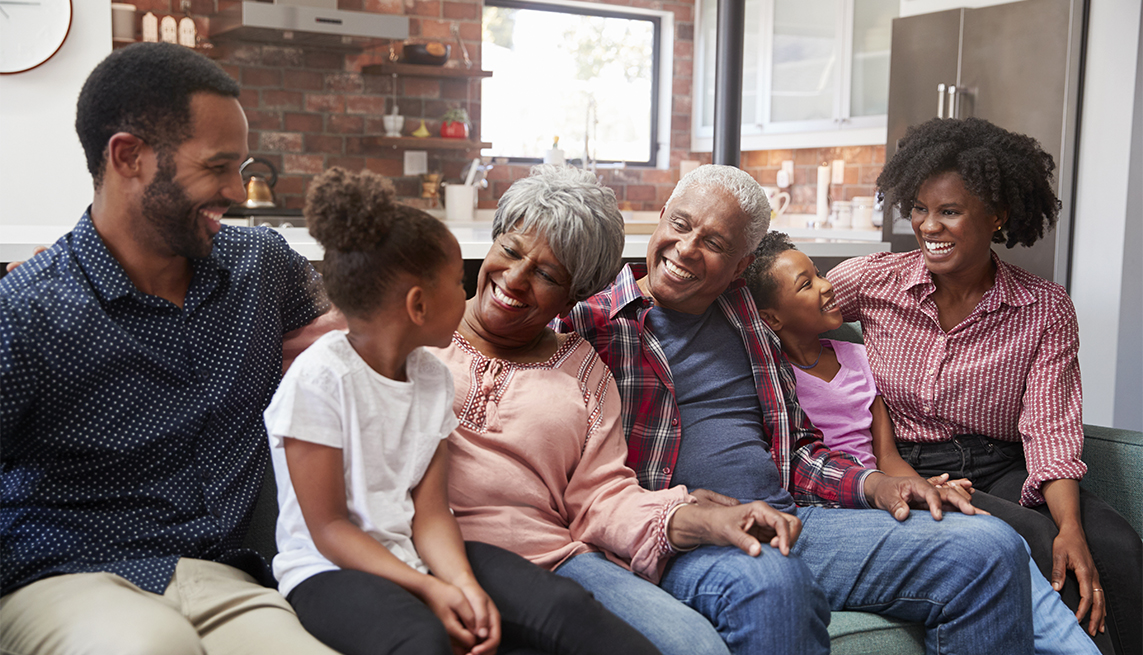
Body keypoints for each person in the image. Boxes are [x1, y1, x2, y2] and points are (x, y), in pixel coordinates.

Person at [560, 163, 1038, 655]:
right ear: (661, 217)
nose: (686, 249)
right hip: (687, 539)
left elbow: (797, 450)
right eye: (680, 224)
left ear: (741, 265)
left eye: (715, 244)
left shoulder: (746, 314)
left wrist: (877, 484)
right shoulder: (590, 324)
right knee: (772, 579)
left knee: (988, 548)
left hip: (795, 521)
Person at [0, 43, 339, 654]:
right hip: (68, 576)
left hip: (227, 578)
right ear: (128, 156)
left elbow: (358, 337)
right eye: (217, 167)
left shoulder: (261, 268)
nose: (237, 190)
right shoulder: (30, 311)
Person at [265, 167, 663, 655]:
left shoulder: (431, 380)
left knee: (569, 614)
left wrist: (466, 586)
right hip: (326, 570)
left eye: (543, 273)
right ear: (417, 305)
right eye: (456, 284)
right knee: (424, 638)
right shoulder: (321, 377)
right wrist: (431, 588)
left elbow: (432, 512)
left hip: (417, 555)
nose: (472, 294)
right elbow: (328, 529)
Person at [432, 165, 804, 655]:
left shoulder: (584, 367)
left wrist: (701, 519)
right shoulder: (417, 330)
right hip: (435, 545)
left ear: (574, 296)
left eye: (547, 274)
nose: (516, 280)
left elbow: (603, 498)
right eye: (511, 251)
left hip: (557, 558)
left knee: (696, 647)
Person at [827, 117, 1142, 655]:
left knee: (1115, 544)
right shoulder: (875, 281)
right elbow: (783, 305)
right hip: (908, 466)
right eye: (921, 209)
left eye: (949, 212)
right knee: (1040, 543)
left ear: (996, 217)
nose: (929, 226)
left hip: (1001, 467)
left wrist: (1071, 523)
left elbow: (1050, 427)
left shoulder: (1042, 307)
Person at [746, 231, 1101, 655]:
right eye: (807, 283)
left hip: (884, 493)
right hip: (833, 507)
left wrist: (930, 492)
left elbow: (887, 456)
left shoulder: (857, 359)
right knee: (989, 543)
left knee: (999, 535)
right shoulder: (770, 376)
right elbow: (790, 465)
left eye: (819, 273)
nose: (827, 285)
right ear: (770, 319)